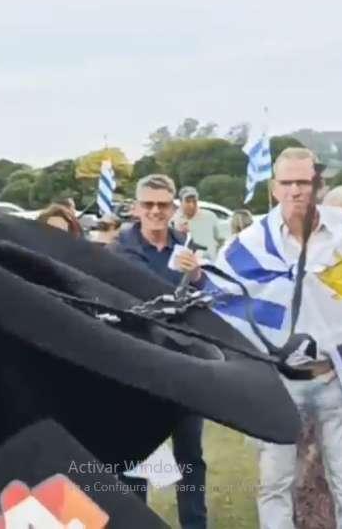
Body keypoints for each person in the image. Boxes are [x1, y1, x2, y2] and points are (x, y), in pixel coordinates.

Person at [206, 148, 342, 529]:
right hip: (280, 384)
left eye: (304, 182)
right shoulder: (249, 245)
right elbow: (220, 298)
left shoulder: (341, 233)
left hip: (333, 379)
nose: (296, 190)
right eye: (287, 182)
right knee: (274, 484)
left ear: (318, 184)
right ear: (274, 187)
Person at [109, 174, 208, 529]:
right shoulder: (119, 249)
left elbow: (207, 300)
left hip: (183, 363)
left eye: (162, 205)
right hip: (137, 365)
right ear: (136, 208)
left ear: (173, 207)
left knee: (190, 455)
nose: (155, 211)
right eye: (148, 204)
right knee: (133, 457)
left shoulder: (187, 247)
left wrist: (198, 277)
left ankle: (195, 525)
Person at [172, 186, 224, 255]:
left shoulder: (210, 217)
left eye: (194, 201)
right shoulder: (173, 220)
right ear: (181, 202)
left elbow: (220, 240)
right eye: (188, 201)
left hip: (208, 259)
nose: (192, 205)